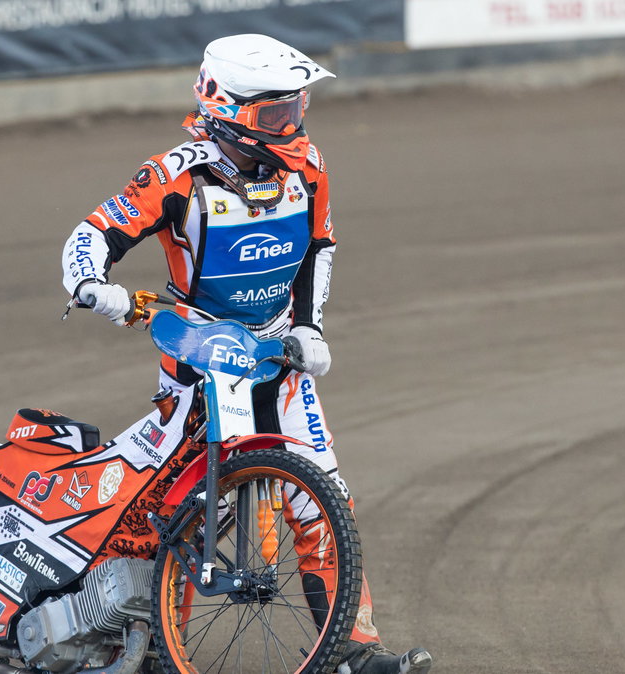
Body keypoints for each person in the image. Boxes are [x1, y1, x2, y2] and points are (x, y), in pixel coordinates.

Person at [60, 33, 432, 674]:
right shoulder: (174, 174)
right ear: (227, 108)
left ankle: (352, 652)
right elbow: (93, 232)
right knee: (176, 511)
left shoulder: (308, 164)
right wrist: (93, 286)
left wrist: (311, 327)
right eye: (276, 113)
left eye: (297, 108)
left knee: (326, 503)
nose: (293, 124)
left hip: (280, 358)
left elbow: (320, 246)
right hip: (198, 355)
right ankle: (146, 648)